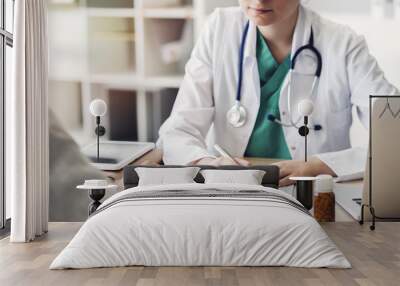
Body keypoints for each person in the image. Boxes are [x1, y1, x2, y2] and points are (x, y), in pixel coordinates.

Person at [158, 0, 399, 186]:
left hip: (315, 195)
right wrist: (207, 162)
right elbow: (177, 131)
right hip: (234, 193)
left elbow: (393, 138)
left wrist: (318, 166)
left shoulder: (343, 44)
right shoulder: (219, 29)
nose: (260, 0)